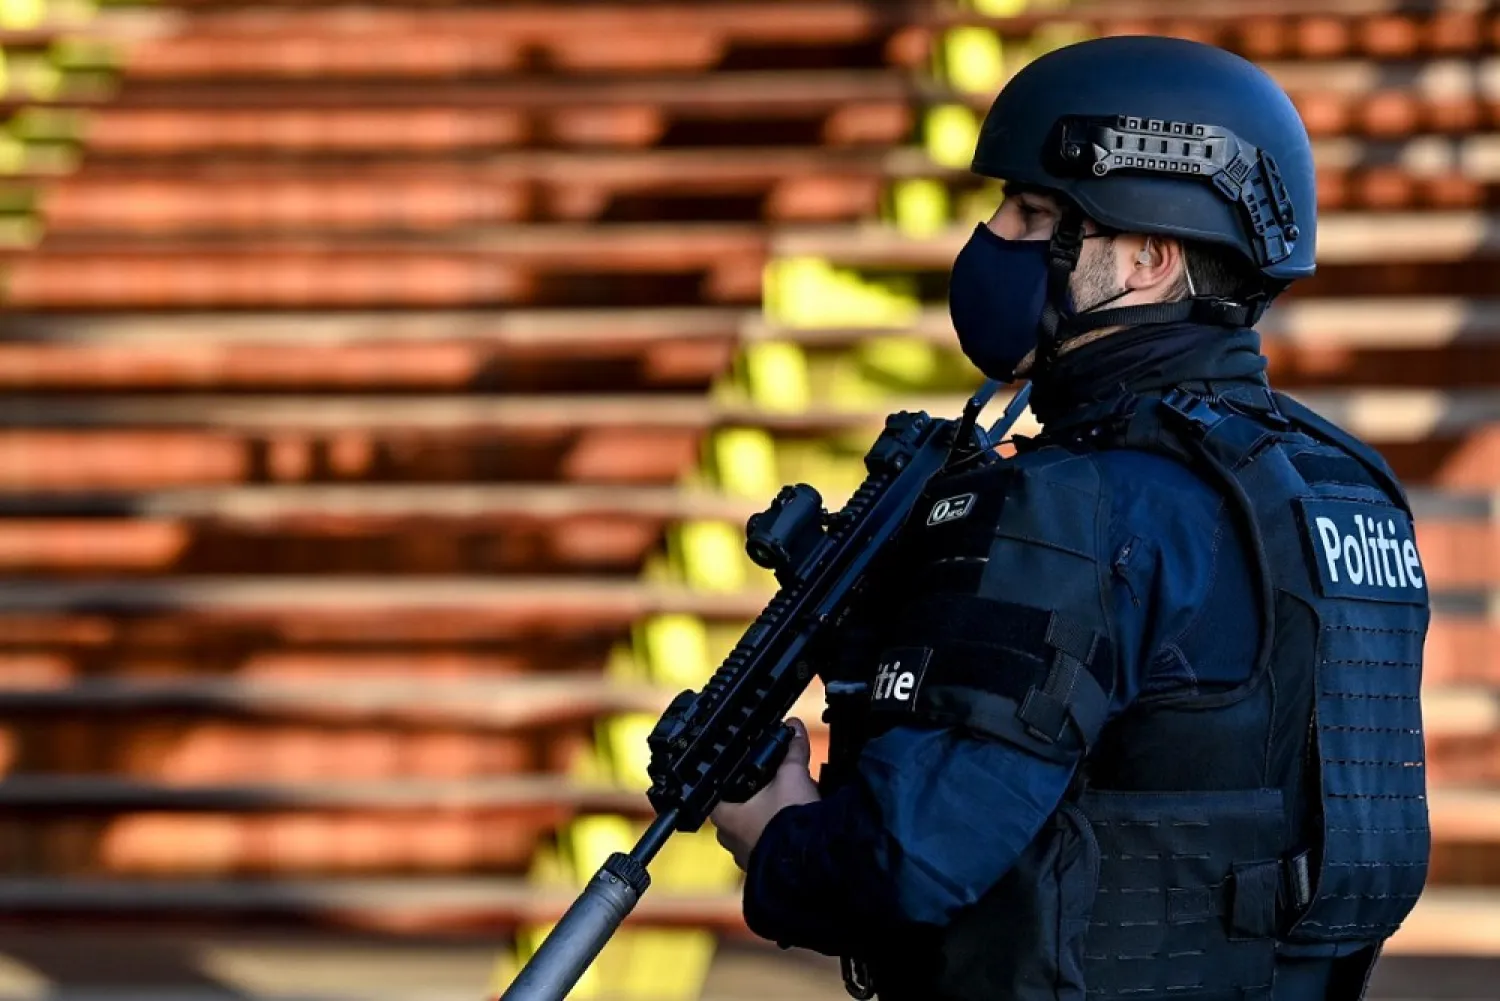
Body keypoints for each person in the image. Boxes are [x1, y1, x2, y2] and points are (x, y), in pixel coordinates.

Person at [709, 34, 1432, 1001]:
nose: (994, 237)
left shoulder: (1082, 506)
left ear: (1147, 257)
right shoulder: (1345, 485)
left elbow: (905, 861)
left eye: (1036, 211)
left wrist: (776, 831)